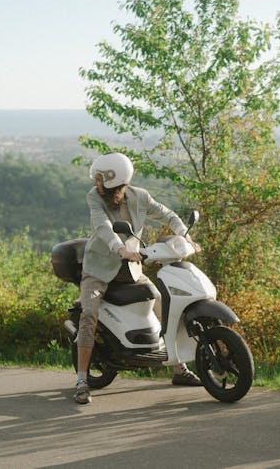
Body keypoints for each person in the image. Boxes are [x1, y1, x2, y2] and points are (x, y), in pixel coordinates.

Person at [74, 152, 202, 404]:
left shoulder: (140, 196)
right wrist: (120, 249)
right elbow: (103, 227)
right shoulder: (94, 197)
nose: (95, 183)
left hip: (130, 269)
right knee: (88, 314)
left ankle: (179, 368)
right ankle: (81, 381)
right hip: (99, 268)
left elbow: (167, 214)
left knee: (165, 305)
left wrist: (184, 235)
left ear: (114, 180)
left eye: (99, 179)